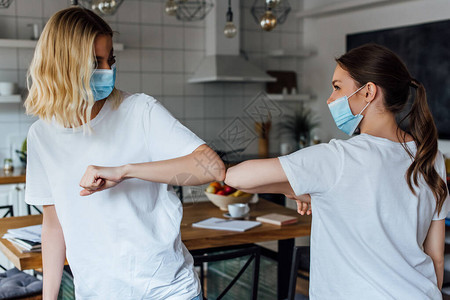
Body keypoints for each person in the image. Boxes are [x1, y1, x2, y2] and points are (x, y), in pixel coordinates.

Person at [24, 7, 224, 300]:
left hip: (168, 291)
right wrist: (49, 298)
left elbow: (212, 167)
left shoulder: (139, 110)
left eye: (111, 59)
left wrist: (126, 170)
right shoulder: (41, 136)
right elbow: (54, 226)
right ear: (63, 65)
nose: (108, 71)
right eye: (96, 62)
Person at [224, 44, 450, 299]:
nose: (330, 99)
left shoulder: (338, 157)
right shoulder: (431, 156)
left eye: (337, 87)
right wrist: (308, 192)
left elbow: (236, 177)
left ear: (368, 92)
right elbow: (436, 259)